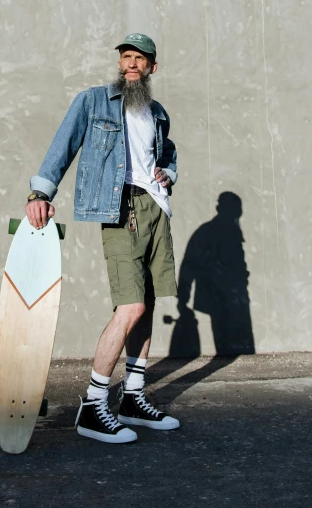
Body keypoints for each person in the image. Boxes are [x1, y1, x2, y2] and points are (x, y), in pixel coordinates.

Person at [26, 33, 180, 444]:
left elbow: (166, 155)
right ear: (120, 63)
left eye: (140, 59)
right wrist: (41, 192)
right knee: (129, 306)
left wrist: (170, 175)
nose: (132, 64)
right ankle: (94, 406)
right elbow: (64, 145)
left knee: (146, 305)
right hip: (120, 210)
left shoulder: (157, 112)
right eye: (126, 57)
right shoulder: (93, 101)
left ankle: (132, 397)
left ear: (152, 67)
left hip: (156, 208)